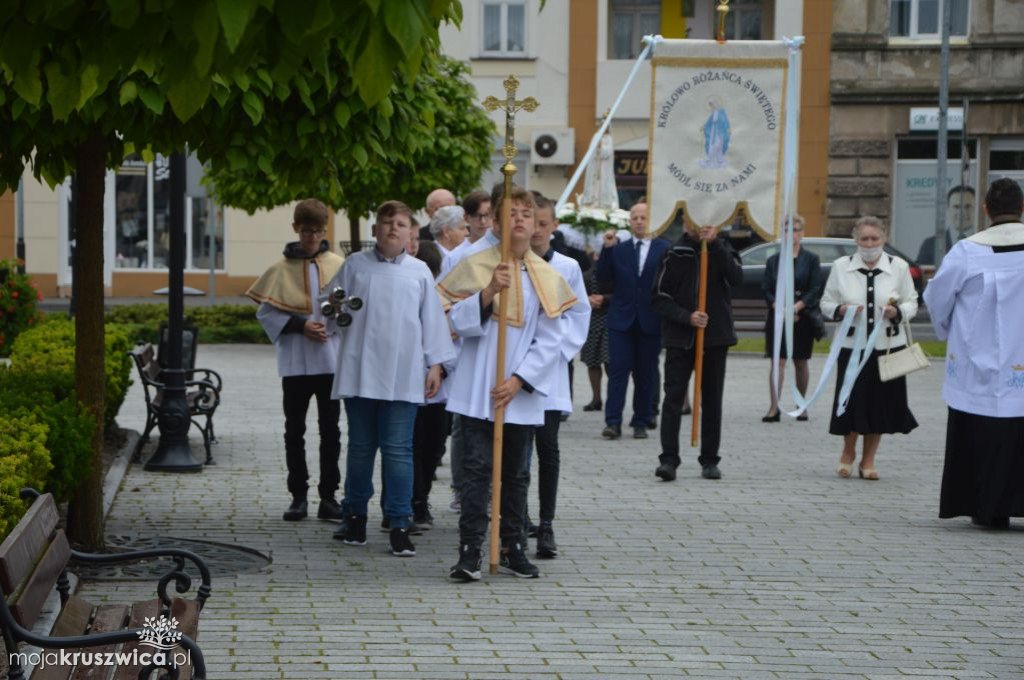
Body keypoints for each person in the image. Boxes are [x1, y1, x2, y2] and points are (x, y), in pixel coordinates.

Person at [437, 186, 576, 581]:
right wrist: (487, 293)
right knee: (477, 469)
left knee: (516, 472)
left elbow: (553, 339)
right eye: (511, 213)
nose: (519, 220)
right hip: (478, 383)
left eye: (526, 214)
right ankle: (470, 551)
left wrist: (520, 380)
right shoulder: (477, 263)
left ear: (534, 224)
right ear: (496, 221)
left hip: (518, 390)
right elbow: (448, 320)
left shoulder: (546, 274)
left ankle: (514, 547)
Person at [329, 200, 456, 556]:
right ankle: (354, 516)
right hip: (361, 370)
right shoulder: (354, 266)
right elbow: (332, 309)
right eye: (387, 222)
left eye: (401, 224)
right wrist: (332, 311)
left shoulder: (418, 272)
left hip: (403, 373)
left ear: (411, 233)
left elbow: (432, 322)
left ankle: (400, 521)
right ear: (375, 230)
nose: (393, 229)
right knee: (360, 448)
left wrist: (435, 366)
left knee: (399, 451)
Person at [924, 178, 1024, 529]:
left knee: (980, 430)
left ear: (985, 209)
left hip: (978, 361)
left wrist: (952, 331)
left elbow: (938, 300)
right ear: (1023, 208)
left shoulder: (967, 251)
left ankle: (985, 506)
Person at [246, 199, 345, 522]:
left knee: (330, 430)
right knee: (294, 430)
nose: (312, 237)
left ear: (325, 230)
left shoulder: (339, 265)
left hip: (330, 361)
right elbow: (266, 312)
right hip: (296, 363)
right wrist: (301, 326)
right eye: (306, 231)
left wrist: (328, 325)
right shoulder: (279, 269)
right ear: (295, 229)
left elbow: (352, 310)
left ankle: (329, 495)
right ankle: (298, 495)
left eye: (317, 231)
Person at [820, 216, 919, 480]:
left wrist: (896, 311)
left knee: (880, 406)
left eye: (874, 238)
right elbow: (826, 302)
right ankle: (847, 452)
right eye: (864, 238)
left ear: (884, 239)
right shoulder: (842, 266)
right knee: (851, 402)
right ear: (856, 240)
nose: (869, 243)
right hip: (853, 346)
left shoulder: (898, 266)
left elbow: (912, 302)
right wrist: (840, 310)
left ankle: (869, 459)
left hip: (888, 348)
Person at [523, 195, 590, 558]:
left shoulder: (567, 267)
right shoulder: (512, 263)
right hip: (514, 371)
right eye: (531, 222)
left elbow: (578, 317)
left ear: (553, 226)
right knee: (518, 452)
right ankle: (520, 518)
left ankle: (546, 524)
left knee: (547, 447)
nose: (536, 230)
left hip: (549, 373)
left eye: (543, 224)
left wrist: (556, 354)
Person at [652, 223, 742, 481]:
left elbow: (736, 278)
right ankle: (668, 460)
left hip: (715, 337)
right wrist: (686, 317)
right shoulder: (674, 252)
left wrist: (715, 245)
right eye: (692, 221)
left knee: (712, 400)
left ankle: (710, 459)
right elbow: (658, 296)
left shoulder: (724, 248)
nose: (698, 226)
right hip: (680, 338)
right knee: (673, 399)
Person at [597, 202, 669, 440]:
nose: (639, 221)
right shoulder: (619, 249)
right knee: (618, 372)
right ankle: (613, 422)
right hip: (622, 320)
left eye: (644, 217)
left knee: (645, 373)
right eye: (635, 217)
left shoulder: (665, 249)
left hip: (650, 320)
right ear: (630, 221)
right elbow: (604, 280)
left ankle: (641, 420)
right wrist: (607, 249)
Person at [761, 215, 824, 422]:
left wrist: (796, 307)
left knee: (800, 361)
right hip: (777, 315)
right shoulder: (773, 260)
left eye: (796, 230)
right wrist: (778, 307)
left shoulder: (812, 259)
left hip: (802, 315)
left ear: (803, 233)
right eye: (788, 230)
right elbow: (766, 288)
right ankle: (774, 407)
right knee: (777, 361)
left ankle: (801, 404)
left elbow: (815, 288)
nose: (792, 234)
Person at [581, 229, 617, 411]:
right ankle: (596, 398)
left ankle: (613, 397)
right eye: (594, 253)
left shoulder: (615, 270)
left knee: (610, 361)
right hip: (591, 320)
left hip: (610, 318)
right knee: (592, 361)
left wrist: (605, 299)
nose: (597, 257)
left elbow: (620, 292)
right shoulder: (585, 274)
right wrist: (586, 300)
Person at [916, 186, 976, 266]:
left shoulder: (985, 243)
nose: (962, 212)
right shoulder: (930, 245)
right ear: (948, 209)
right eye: (956, 207)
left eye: (967, 206)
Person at [430, 205, 469, 273]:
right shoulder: (430, 257)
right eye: (462, 228)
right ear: (446, 232)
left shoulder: (466, 252)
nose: (467, 233)